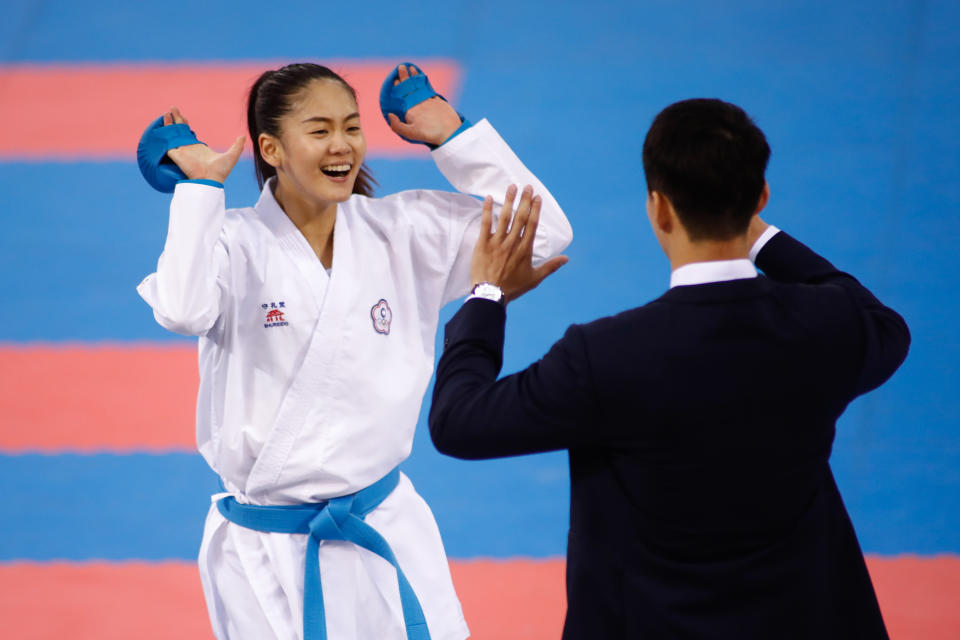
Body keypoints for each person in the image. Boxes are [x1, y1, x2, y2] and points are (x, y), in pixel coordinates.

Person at [429, 98, 910, 638]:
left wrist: (487, 293)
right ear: (760, 197)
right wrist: (761, 235)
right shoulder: (828, 325)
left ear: (658, 208)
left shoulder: (604, 355)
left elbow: (459, 422)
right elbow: (880, 320)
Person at [136, 62, 572, 640]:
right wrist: (199, 190)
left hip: (384, 528)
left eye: (351, 127)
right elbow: (181, 309)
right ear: (271, 148)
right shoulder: (233, 242)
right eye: (318, 131)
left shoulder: (404, 229)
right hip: (269, 553)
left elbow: (544, 235)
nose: (342, 146)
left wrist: (454, 135)